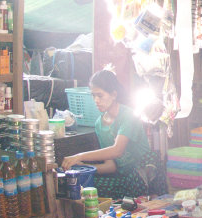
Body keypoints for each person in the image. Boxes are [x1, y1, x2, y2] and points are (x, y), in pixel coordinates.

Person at [60, 69, 159, 198]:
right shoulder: (99, 124)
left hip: (143, 172)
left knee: (133, 180)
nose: (96, 100)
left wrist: (79, 156)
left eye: (100, 95)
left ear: (113, 95)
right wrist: (85, 167)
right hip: (124, 177)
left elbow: (117, 151)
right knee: (90, 187)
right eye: (93, 95)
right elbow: (112, 166)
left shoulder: (129, 115)